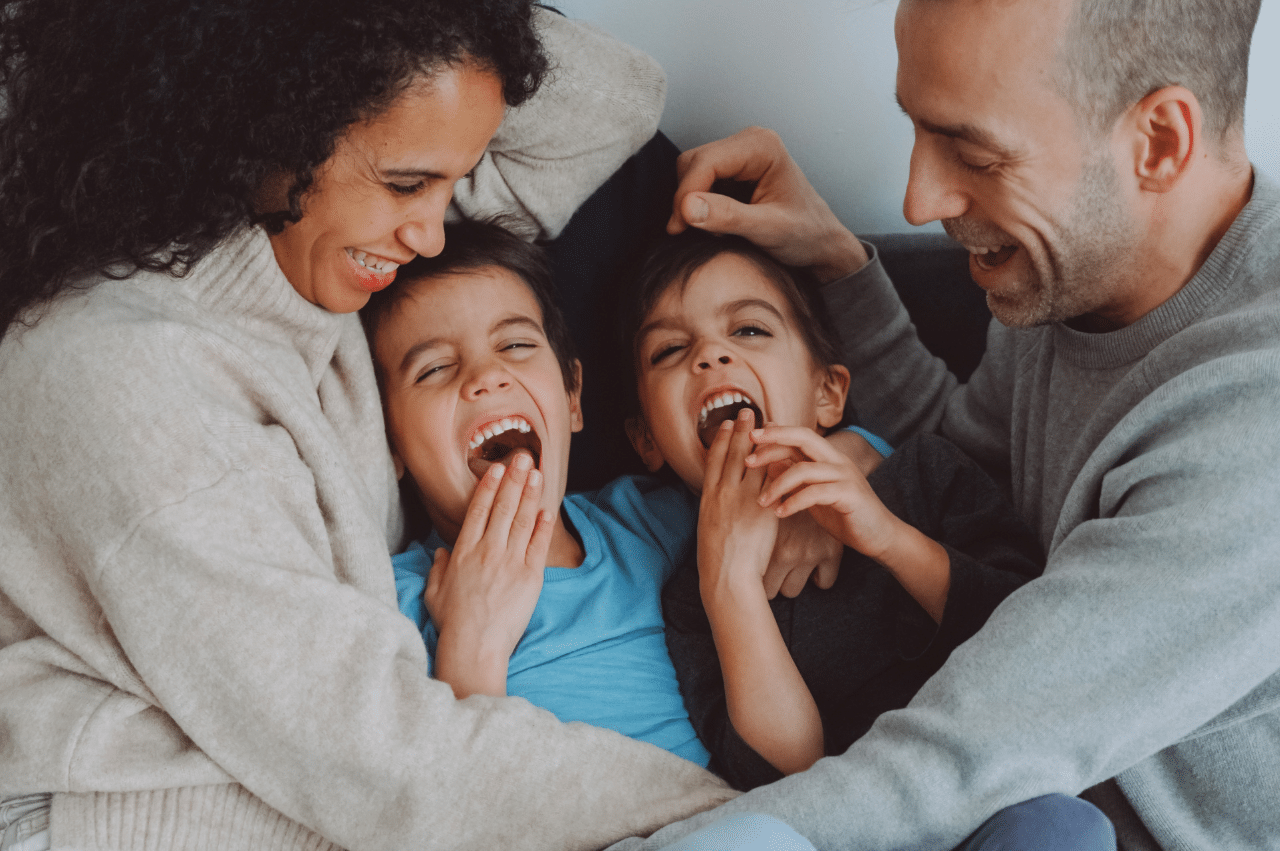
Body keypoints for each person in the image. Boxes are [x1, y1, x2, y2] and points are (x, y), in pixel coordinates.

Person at [0, 3, 742, 850]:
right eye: (408, 185)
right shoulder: (124, 375)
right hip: (149, 821)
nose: (432, 234)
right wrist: (762, 813)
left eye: (453, 182)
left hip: (343, 786)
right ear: (269, 124)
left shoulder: (323, 257)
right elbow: (378, 753)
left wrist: (425, 29)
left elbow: (617, 97)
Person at [607, 0, 1280, 850]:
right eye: (918, 131)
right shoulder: (1067, 270)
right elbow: (957, 451)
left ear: (1158, 143)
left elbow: (956, 758)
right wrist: (836, 264)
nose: (919, 196)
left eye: (973, 150)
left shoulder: (1254, 423)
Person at [364, 220, 814, 851]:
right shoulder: (398, 603)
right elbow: (436, 809)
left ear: (573, 396)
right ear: (393, 446)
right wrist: (471, 652)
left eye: (515, 346)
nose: (485, 378)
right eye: (435, 368)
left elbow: (838, 444)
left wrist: (829, 487)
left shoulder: (648, 523)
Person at [623, 233, 1043, 791]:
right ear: (647, 439)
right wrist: (733, 586)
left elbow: (1035, 634)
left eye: (749, 329)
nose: (710, 355)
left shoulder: (921, 474)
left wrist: (888, 537)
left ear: (828, 394)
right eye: (670, 351)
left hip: (1002, 775)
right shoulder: (692, 596)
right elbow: (781, 775)